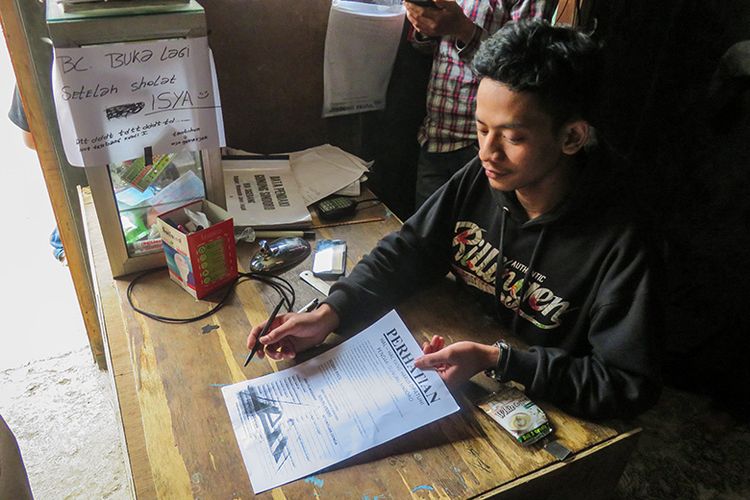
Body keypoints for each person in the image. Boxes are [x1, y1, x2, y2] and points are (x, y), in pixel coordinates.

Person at [247, 19, 662, 419]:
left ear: (571, 137)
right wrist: (330, 313)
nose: (488, 152)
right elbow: (409, 249)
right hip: (461, 361)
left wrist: (499, 360)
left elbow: (625, 384)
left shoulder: (624, 239)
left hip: (545, 402)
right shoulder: (484, 176)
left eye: (513, 137)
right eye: (481, 129)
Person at [404, 0, 549, 208]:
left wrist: (462, 28)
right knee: (427, 237)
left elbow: (522, 70)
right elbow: (427, 47)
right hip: (434, 136)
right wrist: (424, 27)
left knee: (479, 235)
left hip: (484, 146)